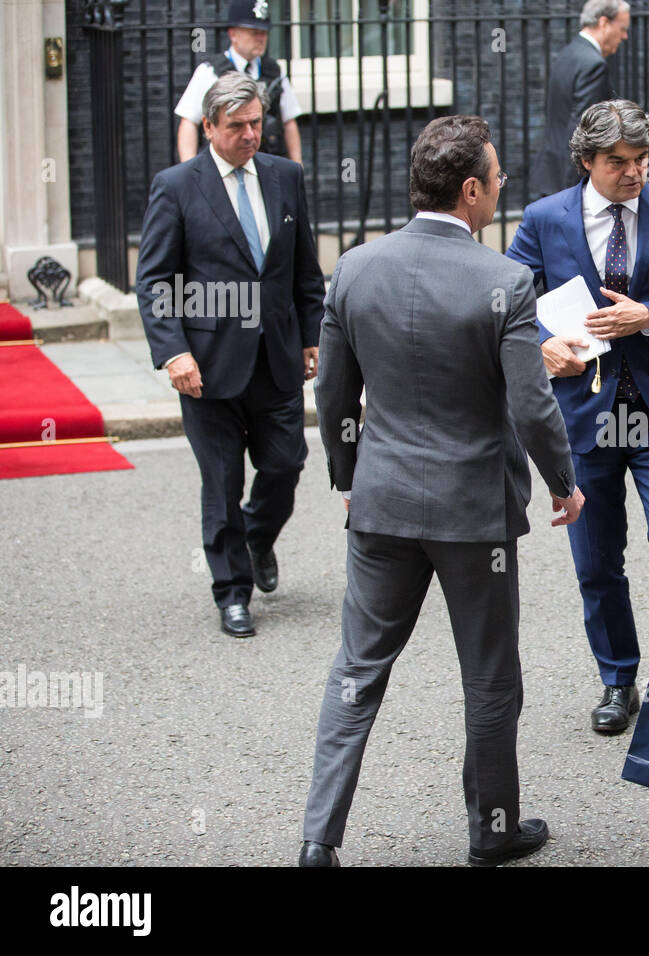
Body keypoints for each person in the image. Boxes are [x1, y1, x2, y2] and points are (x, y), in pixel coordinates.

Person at [299, 115, 584, 868]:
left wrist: (349, 477)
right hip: (473, 517)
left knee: (357, 672)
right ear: (470, 191)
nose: (500, 191)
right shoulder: (504, 281)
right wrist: (565, 482)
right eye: (496, 180)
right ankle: (492, 832)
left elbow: (332, 395)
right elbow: (531, 405)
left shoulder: (356, 269)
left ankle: (318, 840)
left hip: (382, 504)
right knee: (490, 677)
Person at [507, 99, 649, 735]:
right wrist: (542, 349)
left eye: (641, 160)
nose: (633, 173)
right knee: (597, 558)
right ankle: (617, 677)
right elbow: (511, 307)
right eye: (618, 162)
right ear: (586, 162)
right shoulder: (545, 219)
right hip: (582, 416)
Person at [137, 70, 324, 639]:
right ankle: (232, 592)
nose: (250, 135)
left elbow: (303, 268)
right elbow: (154, 281)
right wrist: (173, 354)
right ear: (209, 126)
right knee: (220, 481)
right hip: (207, 365)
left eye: (256, 123)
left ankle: (256, 537)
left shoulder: (285, 177)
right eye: (237, 126)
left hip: (277, 357)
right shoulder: (177, 186)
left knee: (286, 464)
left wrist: (313, 334)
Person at [174, 0, 304, 164]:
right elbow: (189, 122)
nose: (260, 38)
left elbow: (289, 122)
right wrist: (190, 173)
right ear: (233, 34)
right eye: (253, 32)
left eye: (264, 32)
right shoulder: (210, 71)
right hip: (222, 167)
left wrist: (297, 166)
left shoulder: (274, 71)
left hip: (268, 165)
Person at [529, 0, 629, 200]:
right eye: (622, 28)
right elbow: (582, 129)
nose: (625, 36)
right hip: (569, 179)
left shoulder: (568, 53)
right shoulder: (593, 64)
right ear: (603, 23)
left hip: (550, 170)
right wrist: (575, 188)